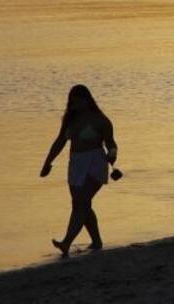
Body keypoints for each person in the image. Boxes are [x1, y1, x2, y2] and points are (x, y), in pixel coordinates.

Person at [40, 84, 117, 257]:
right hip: (76, 164)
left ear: (87, 100)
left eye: (77, 100)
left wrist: (113, 154)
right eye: (72, 101)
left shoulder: (100, 119)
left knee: (81, 202)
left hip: (96, 163)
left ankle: (66, 242)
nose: (74, 104)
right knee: (81, 204)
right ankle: (96, 241)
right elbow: (60, 141)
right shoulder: (69, 119)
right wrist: (47, 163)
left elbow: (111, 143)